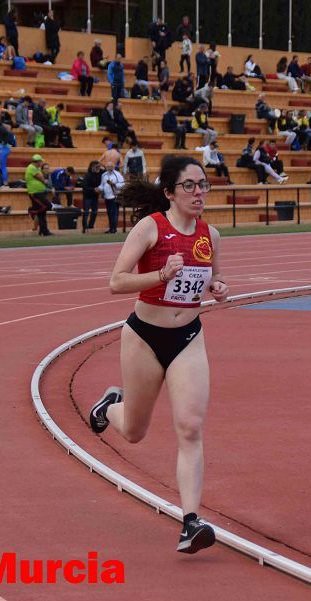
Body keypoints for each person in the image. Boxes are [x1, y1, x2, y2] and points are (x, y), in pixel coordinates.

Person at [88, 155, 229, 554]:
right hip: (144, 337)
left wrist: (219, 287)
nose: (199, 192)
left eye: (203, 185)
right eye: (189, 185)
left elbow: (211, 279)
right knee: (133, 431)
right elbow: (116, 282)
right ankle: (110, 406)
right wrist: (160, 275)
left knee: (190, 426)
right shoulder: (150, 228)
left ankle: (190, 522)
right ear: (169, 192)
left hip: (188, 337)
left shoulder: (211, 235)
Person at [25, 154, 52, 236]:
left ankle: (44, 231)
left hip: (40, 192)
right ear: (38, 162)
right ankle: (32, 210)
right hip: (35, 192)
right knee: (46, 206)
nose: (41, 163)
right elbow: (42, 179)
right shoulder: (32, 168)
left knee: (42, 213)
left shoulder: (36, 168)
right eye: (40, 162)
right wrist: (45, 182)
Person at [100, 163, 125, 233]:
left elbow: (123, 184)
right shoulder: (104, 175)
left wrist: (114, 184)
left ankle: (114, 229)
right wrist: (99, 188)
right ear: (106, 167)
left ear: (113, 167)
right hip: (107, 197)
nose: (110, 168)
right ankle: (111, 228)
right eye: (108, 166)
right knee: (109, 213)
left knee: (114, 213)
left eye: (111, 166)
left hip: (114, 196)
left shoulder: (117, 175)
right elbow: (102, 185)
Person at [81, 160, 102, 231]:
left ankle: (91, 225)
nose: (99, 168)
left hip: (95, 196)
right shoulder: (87, 175)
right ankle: (85, 227)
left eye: (99, 166)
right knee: (86, 212)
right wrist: (93, 189)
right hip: (87, 197)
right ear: (92, 167)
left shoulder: (100, 174)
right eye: (97, 167)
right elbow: (84, 186)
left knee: (95, 212)